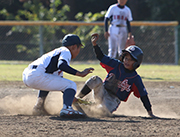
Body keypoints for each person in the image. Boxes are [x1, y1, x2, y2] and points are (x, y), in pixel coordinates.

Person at [74, 33, 156, 118]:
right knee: (95, 79)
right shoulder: (116, 65)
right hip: (102, 91)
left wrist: (150, 113)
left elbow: (143, 96)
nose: (127, 61)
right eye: (126, 58)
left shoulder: (135, 78)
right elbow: (101, 57)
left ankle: (88, 108)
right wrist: (95, 45)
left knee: (101, 112)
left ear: (136, 63)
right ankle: (76, 99)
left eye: (131, 60)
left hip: (113, 100)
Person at [22, 34, 94, 118]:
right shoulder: (66, 51)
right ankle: (67, 109)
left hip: (28, 75)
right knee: (71, 84)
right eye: (79, 48)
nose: (79, 51)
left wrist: (73, 100)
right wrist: (80, 73)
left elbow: (61, 85)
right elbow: (62, 65)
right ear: (74, 46)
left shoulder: (57, 53)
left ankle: (39, 106)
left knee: (55, 81)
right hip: (36, 75)